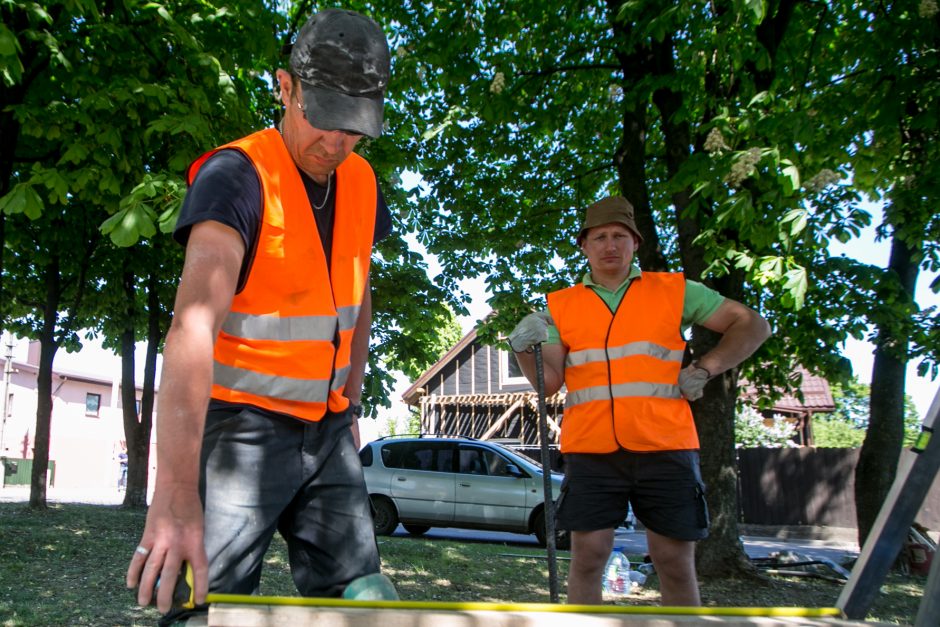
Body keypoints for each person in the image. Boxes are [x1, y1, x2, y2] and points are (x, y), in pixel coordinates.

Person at [126, 8, 395, 621]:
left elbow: (357, 292)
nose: (337, 142)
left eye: (354, 128)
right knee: (203, 602)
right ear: (285, 86)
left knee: (364, 603)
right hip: (238, 429)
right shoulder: (236, 177)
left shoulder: (363, 182)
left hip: (326, 432)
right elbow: (191, 326)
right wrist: (173, 497)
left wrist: (348, 403)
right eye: (323, 118)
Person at [508, 196, 771, 606]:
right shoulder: (562, 306)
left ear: (635, 244)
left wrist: (705, 368)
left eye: (619, 236)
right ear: (585, 246)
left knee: (673, 561)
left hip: (666, 445)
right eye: (599, 237)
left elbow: (752, 323)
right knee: (588, 559)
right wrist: (524, 349)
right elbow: (549, 385)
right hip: (591, 449)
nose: (609, 245)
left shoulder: (674, 291)